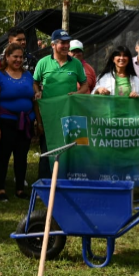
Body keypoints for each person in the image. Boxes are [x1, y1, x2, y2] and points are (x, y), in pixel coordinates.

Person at [34, 29, 89, 178]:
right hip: (49, 115)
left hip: (69, 114)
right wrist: (37, 91)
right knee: (47, 149)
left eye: (67, 43)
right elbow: (35, 82)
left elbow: (85, 85)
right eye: (62, 43)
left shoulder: (76, 64)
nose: (66, 46)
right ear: (53, 45)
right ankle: (45, 182)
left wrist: (78, 93)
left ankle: (67, 180)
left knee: (70, 147)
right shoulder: (43, 63)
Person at [0, 45, 41, 201]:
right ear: (7, 57)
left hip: (26, 122)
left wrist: (39, 121)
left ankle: (20, 189)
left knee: (21, 155)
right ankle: (0, 189)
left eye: (21, 57)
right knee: (3, 155)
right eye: (15, 57)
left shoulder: (28, 76)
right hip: (6, 122)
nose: (18, 60)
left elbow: (34, 100)